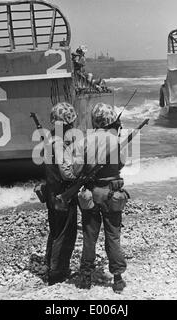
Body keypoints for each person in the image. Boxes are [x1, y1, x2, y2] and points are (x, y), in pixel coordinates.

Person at [71, 103, 129, 293]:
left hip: (91, 193)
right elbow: (121, 165)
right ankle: (118, 279)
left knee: (89, 236)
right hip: (113, 193)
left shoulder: (83, 142)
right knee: (113, 236)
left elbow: (76, 170)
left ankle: (86, 277)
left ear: (94, 119)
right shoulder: (117, 141)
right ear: (111, 119)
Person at [44, 102, 79, 285]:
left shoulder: (50, 138)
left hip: (52, 192)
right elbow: (65, 173)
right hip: (62, 194)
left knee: (55, 230)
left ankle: (50, 264)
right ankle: (57, 272)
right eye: (71, 123)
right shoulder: (59, 143)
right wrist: (79, 177)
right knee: (65, 233)